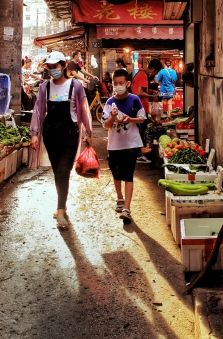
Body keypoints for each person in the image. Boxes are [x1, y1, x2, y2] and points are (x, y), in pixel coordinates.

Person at [29, 51, 92, 230]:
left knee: (64, 170)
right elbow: (39, 111)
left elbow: (84, 109)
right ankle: (61, 204)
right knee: (57, 171)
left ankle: (61, 210)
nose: (52, 70)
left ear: (63, 65)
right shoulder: (44, 87)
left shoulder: (76, 86)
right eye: (49, 67)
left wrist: (88, 132)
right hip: (50, 134)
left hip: (70, 134)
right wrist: (34, 133)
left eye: (55, 66)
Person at [101, 69, 145, 222]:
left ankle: (127, 208)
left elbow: (142, 118)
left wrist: (130, 119)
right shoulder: (109, 103)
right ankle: (119, 197)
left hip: (131, 144)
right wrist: (113, 117)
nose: (118, 86)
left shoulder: (134, 100)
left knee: (128, 175)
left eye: (121, 83)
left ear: (127, 84)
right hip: (114, 145)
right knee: (116, 173)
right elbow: (105, 126)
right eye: (115, 83)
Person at [131, 58, 163, 163]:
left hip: (137, 107)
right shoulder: (143, 75)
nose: (155, 74)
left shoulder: (140, 74)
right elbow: (139, 93)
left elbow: (140, 90)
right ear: (153, 69)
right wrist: (152, 97)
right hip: (140, 108)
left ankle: (138, 154)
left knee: (139, 131)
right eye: (156, 72)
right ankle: (140, 155)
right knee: (141, 132)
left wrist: (151, 91)